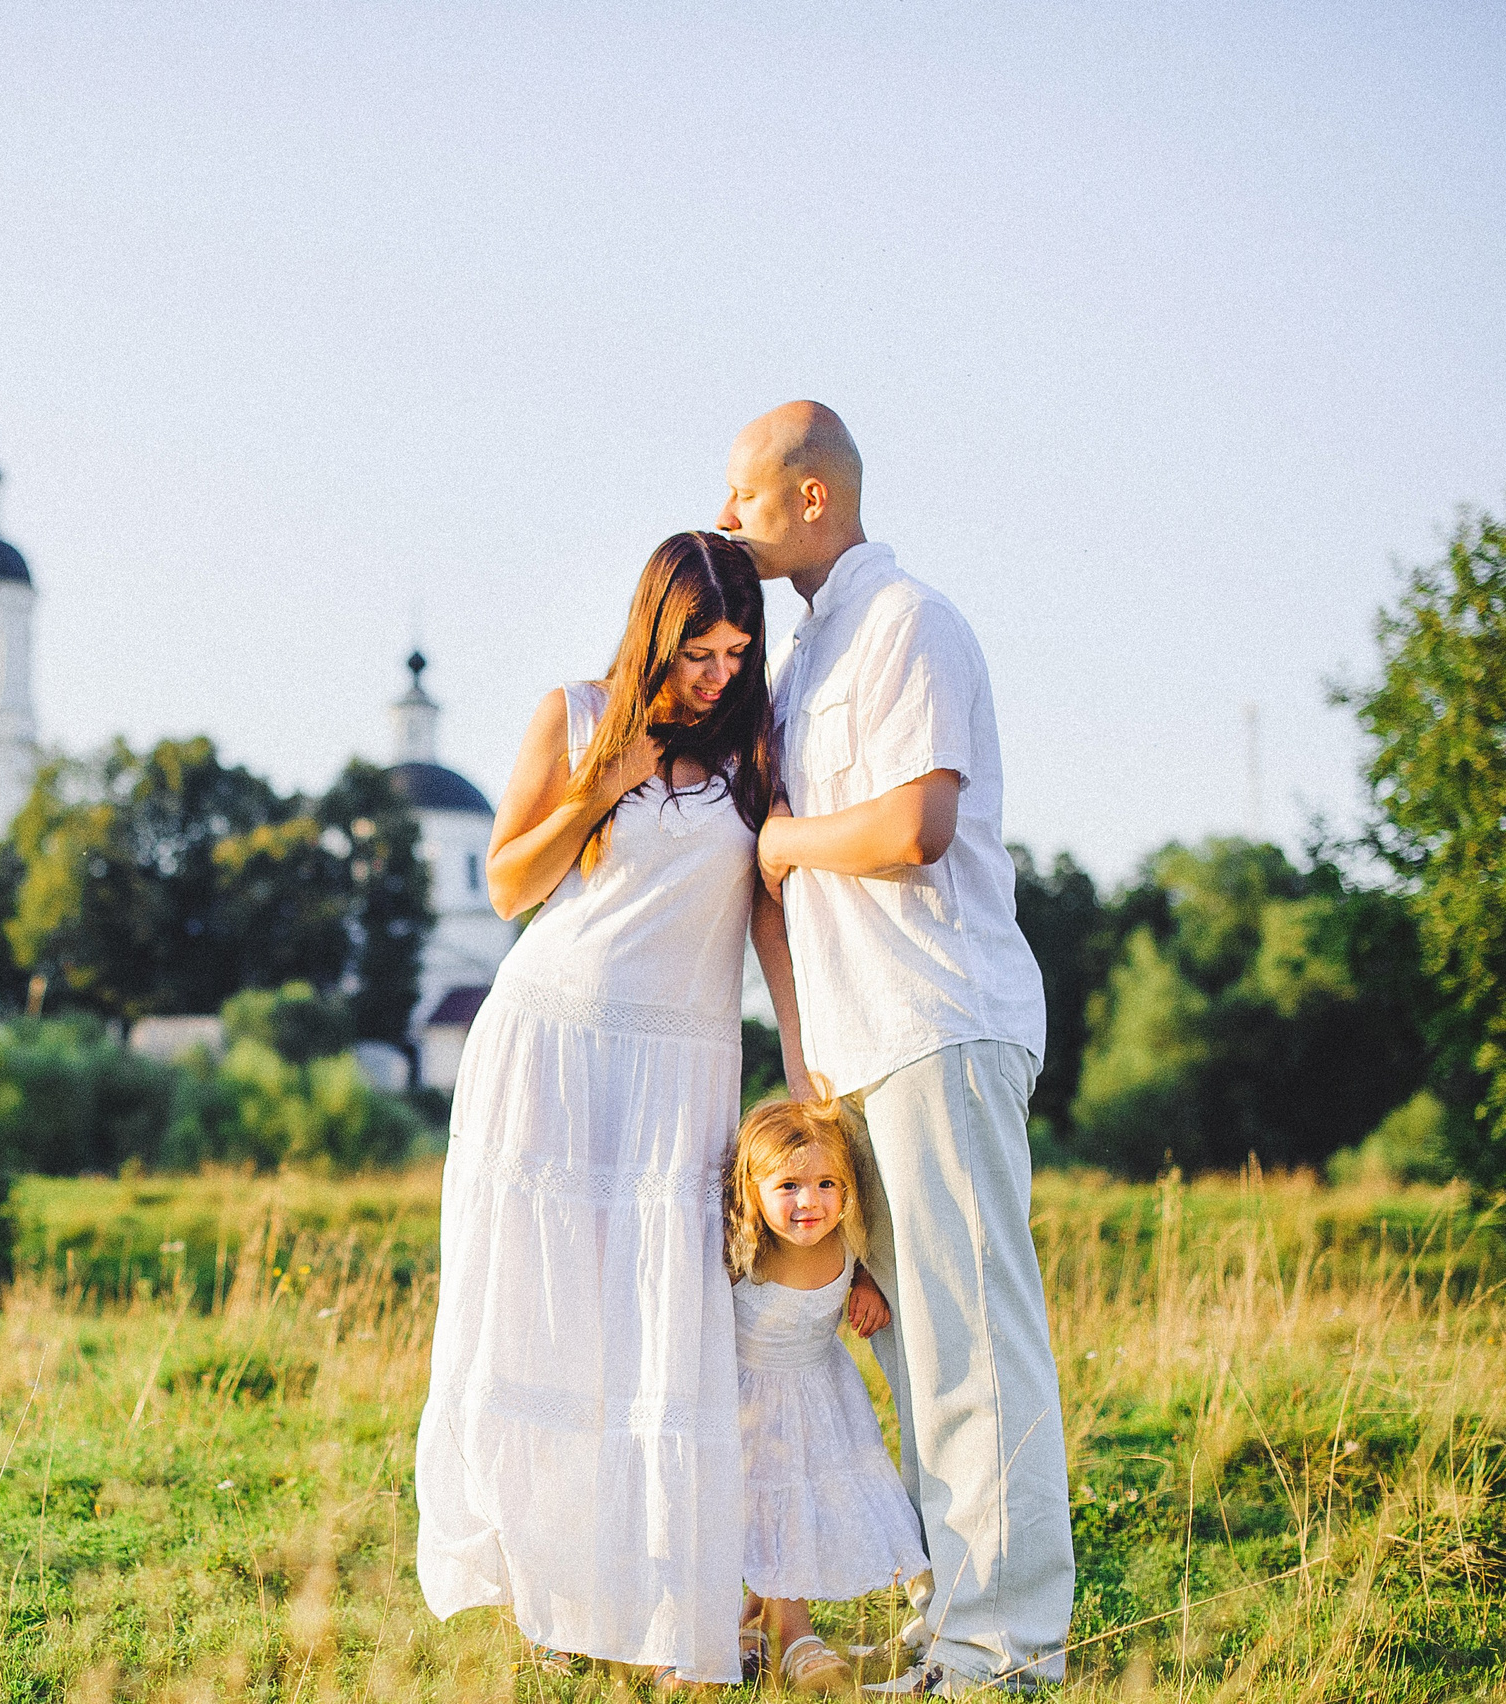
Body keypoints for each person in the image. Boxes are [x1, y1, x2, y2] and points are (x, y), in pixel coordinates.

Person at [414, 530, 833, 1686]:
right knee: (552, 1323)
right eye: (698, 651)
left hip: (681, 1066)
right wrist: (596, 789)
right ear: (655, 630)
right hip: (550, 1045)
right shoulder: (575, 713)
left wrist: (800, 1060)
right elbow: (509, 883)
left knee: (665, 1330)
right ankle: (553, 1602)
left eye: (736, 653)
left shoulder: (754, 744)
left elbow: (765, 912)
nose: (716, 674)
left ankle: (666, 1600)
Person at [716, 401, 1073, 1693]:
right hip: (859, 1050)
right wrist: (803, 1051)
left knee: (972, 1347)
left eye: (744, 493)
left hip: (940, 1022)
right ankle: (951, 1625)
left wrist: (784, 840)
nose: (726, 517)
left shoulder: (910, 621)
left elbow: (918, 824)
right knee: (912, 1353)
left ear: (811, 495)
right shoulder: (808, 656)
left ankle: (1005, 1651)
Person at [722, 1095, 927, 1693]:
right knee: (770, 1510)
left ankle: (756, 1623)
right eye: (788, 1186)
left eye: (826, 1184)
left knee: (797, 1510)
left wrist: (866, 1284)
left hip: (819, 1398)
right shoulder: (742, 1254)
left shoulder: (848, 1243)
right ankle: (796, 1636)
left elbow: (861, 1267)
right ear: (753, 1190)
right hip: (751, 1402)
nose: (809, 1201)